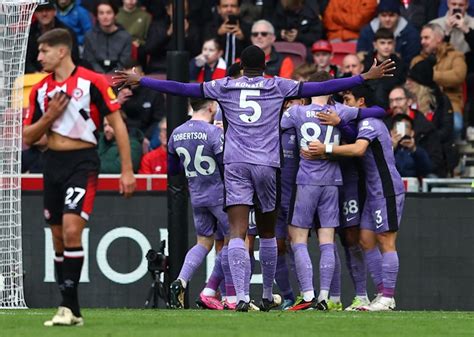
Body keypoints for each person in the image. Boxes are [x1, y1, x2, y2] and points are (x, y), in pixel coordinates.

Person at [113, 44, 396, 312]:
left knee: (236, 231)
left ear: (243, 66)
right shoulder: (277, 85)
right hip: (267, 164)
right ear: (264, 66)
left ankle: (240, 297)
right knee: (268, 232)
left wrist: (143, 79)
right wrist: (362, 77)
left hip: (236, 164)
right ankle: (265, 295)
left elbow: (180, 88)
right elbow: (321, 87)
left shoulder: (224, 85)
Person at [23, 28, 135, 326]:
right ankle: (72, 311)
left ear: (62, 51)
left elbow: (118, 124)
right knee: (58, 237)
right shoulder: (40, 90)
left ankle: (65, 307)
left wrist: (127, 170)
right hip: (52, 163)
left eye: (43, 51)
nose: (39, 57)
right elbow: (29, 136)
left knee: (73, 230)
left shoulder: (92, 81)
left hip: (82, 163)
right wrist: (48, 118)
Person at [283, 72, 387, 311]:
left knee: (298, 239)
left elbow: (275, 125)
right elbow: (379, 111)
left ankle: (308, 293)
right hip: (333, 181)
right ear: (330, 91)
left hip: (307, 180)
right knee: (327, 241)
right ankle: (324, 296)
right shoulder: (340, 111)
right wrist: (339, 123)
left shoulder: (296, 113)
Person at [303, 111, 406, 312]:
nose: (346, 104)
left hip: (387, 188)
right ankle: (381, 294)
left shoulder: (370, 122)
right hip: (372, 191)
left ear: (360, 102)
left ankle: (388, 297)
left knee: (386, 240)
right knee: (366, 239)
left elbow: (359, 149)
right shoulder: (360, 124)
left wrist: (327, 149)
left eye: (349, 100)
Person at [168, 98, 235, 311]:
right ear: (211, 107)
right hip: (219, 194)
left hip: (197, 194)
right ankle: (230, 297)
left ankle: (181, 280)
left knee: (203, 243)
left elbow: (173, 169)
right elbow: (225, 165)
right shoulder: (213, 133)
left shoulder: (176, 133)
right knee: (232, 241)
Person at [411, 23, 467, 138]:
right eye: (421, 38)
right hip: (423, 104)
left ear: (439, 39)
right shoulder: (417, 60)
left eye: (426, 38)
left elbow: (458, 76)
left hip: (451, 102)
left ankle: (451, 153)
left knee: (456, 125)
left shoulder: (455, 56)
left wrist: (430, 75)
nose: (422, 42)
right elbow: (412, 82)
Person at [387, 86, 445, 177]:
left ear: (409, 101)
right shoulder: (383, 126)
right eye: (391, 101)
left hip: (419, 176)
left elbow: (435, 162)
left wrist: (414, 149)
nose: (394, 105)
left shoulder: (426, 127)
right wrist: (390, 148)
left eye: (398, 100)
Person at [357, 0, 421, 67]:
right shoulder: (367, 31)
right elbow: (360, 55)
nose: (387, 19)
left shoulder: (411, 33)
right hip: (370, 69)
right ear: (378, 16)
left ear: (398, 16)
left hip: (401, 71)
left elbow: (412, 60)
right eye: (383, 15)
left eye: (391, 15)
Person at [26, 2, 80, 73]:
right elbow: (25, 59)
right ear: (35, 13)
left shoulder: (66, 32)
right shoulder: (28, 33)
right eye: (40, 10)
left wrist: (54, 72)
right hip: (33, 76)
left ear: (55, 11)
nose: (44, 14)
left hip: (61, 74)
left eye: (48, 10)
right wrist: (35, 72)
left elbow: (73, 58)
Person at [83, 0, 132, 73]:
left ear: (115, 15)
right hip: (96, 75)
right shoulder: (89, 36)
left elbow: (123, 62)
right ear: (97, 16)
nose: (105, 17)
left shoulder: (125, 37)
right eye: (101, 13)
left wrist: (110, 75)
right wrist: (102, 75)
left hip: (118, 76)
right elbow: (90, 60)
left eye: (109, 13)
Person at [362, 28, 407, 108]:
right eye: (382, 43)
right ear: (375, 45)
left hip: (392, 105)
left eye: (389, 43)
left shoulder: (400, 65)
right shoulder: (366, 63)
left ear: (394, 44)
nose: (386, 46)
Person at [203, 0, 251, 67]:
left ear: (238, 9)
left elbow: (253, 54)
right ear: (219, 9)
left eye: (233, 6)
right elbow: (202, 51)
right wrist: (218, 34)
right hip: (215, 72)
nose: (229, 9)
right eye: (225, 6)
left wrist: (243, 38)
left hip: (241, 72)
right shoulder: (210, 28)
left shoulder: (248, 28)